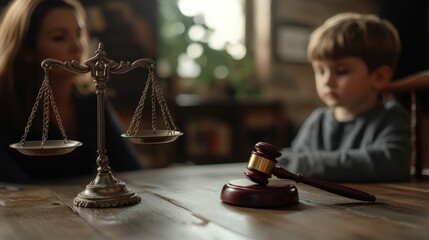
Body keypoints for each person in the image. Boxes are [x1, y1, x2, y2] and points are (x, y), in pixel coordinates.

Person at [0, 0, 143, 183]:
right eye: (59, 37)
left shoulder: (91, 102)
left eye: (79, 33)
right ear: (27, 50)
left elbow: (133, 169)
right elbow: (14, 184)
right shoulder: (4, 106)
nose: (77, 46)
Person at [277, 12, 411, 182]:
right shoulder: (317, 121)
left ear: (379, 77)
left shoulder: (391, 116)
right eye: (320, 71)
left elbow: (393, 163)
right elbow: (294, 158)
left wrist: (305, 164)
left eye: (341, 71)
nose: (327, 81)